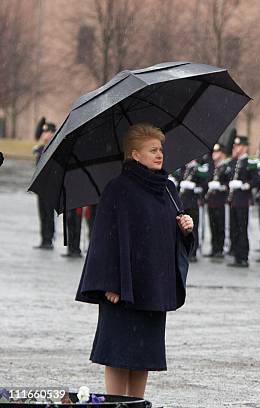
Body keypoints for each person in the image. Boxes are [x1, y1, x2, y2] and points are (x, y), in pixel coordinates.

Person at [75, 123, 194, 397]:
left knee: (144, 357)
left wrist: (185, 230)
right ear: (134, 155)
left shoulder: (168, 189)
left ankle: (135, 403)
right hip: (123, 288)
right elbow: (103, 241)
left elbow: (170, 235)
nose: (159, 154)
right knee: (118, 354)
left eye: (160, 149)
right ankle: (115, 404)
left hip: (155, 285)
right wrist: (110, 284)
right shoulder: (118, 189)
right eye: (152, 150)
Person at [227, 134, 259, 267]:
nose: (236, 147)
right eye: (235, 145)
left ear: (245, 147)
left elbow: (256, 180)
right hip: (234, 200)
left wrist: (245, 185)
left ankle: (243, 257)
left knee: (242, 229)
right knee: (234, 228)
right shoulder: (235, 162)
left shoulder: (249, 162)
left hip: (243, 201)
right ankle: (236, 255)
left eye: (239, 145)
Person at [33, 121, 57, 250]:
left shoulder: (55, 147)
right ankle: (43, 238)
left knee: (48, 213)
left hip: (50, 186)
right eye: (44, 131)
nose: (44, 134)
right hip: (41, 187)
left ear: (52, 132)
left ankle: (49, 239)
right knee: (42, 213)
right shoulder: (41, 148)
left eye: (47, 131)